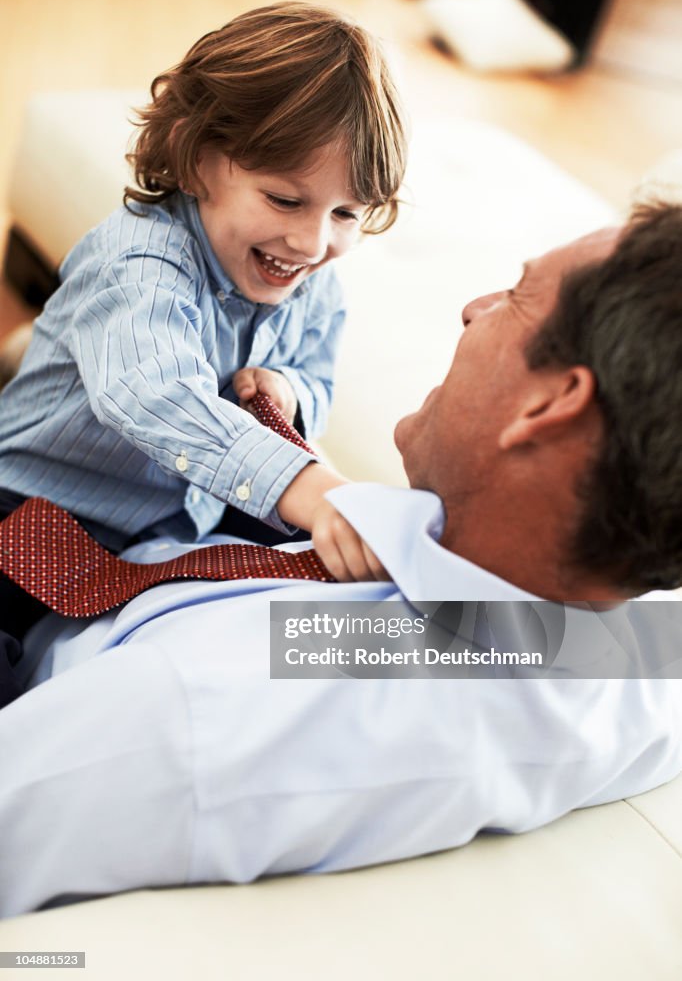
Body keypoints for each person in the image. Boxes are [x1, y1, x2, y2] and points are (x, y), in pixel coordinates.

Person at [1, 202, 681, 917]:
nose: (473, 309)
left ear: (548, 406)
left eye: (514, 298)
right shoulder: (648, 655)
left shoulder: (195, 704)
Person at [0, 2, 407, 690]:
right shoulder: (139, 262)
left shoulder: (313, 280)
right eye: (284, 200)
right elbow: (156, 397)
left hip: (187, 515)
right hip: (38, 508)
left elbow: (317, 378)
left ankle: (482, 657)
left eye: (345, 213)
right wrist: (308, 488)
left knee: (338, 583)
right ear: (195, 159)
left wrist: (291, 392)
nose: (312, 243)